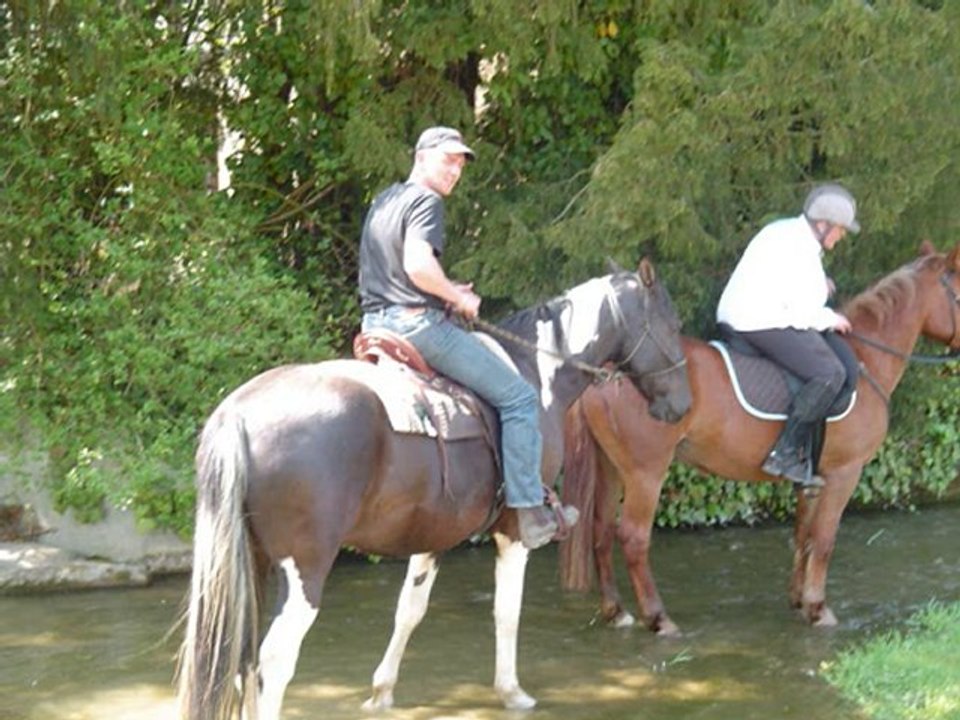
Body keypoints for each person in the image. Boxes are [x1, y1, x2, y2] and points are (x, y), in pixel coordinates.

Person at [358, 126, 579, 549]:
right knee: (519, 399)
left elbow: (394, 273)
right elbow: (419, 266)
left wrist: (442, 290)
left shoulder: (385, 200)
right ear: (421, 157)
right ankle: (529, 513)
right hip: (418, 328)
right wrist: (455, 294)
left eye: (460, 163)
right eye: (448, 159)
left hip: (375, 325)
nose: (455, 169)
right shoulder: (425, 201)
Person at [716, 183, 862, 489]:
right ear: (822, 225)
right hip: (757, 319)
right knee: (829, 373)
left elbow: (791, 283)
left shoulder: (788, 235)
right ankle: (785, 453)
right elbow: (801, 311)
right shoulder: (797, 245)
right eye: (840, 229)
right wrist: (831, 319)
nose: (842, 235)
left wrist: (822, 286)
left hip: (755, 312)